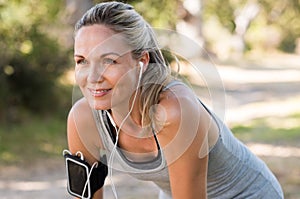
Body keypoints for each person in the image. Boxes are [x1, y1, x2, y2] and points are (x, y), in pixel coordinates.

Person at [66, 1, 284, 199]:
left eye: (109, 61)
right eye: (82, 61)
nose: (92, 77)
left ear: (141, 61)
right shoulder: (82, 119)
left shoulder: (174, 112)